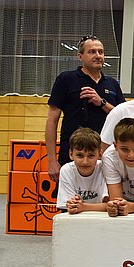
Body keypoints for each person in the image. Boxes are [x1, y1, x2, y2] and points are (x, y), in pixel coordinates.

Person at [45, 35, 125, 182]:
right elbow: (52, 120)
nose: (98, 56)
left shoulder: (112, 84)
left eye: (101, 52)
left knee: (104, 200)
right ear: (80, 56)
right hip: (73, 154)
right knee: (69, 202)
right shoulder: (66, 79)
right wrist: (51, 160)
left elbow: (123, 119)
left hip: (105, 156)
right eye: (92, 52)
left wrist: (101, 102)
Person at [55, 128, 108, 213]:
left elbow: (109, 205)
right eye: (80, 155)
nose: (85, 161)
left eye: (91, 156)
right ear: (71, 154)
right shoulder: (66, 170)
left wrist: (83, 206)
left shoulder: (105, 168)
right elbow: (68, 207)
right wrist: (73, 205)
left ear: (100, 154)